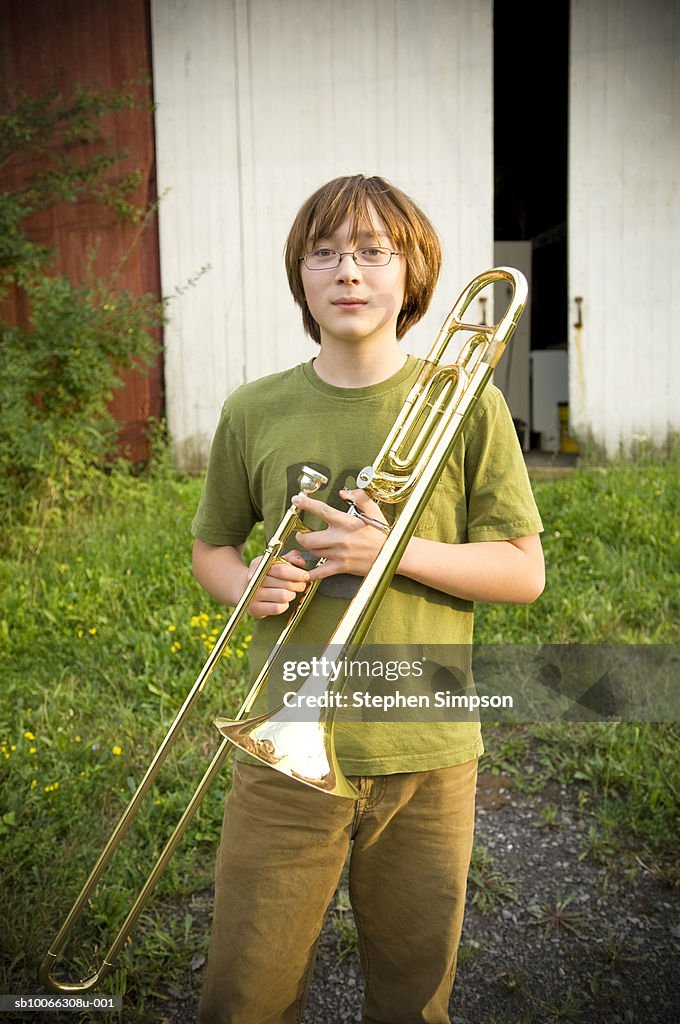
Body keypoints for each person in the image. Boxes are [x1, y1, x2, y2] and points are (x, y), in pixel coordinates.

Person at [191, 174, 545, 1024]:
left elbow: (523, 572)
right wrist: (247, 585)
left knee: (414, 996)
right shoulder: (255, 409)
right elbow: (211, 548)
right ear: (301, 279)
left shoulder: (470, 404)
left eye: (372, 252)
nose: (348, 271)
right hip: (281, 751)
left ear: (412, 277)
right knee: (246, 989)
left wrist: (391, 549)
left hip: (427, 744)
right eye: (325, 253)